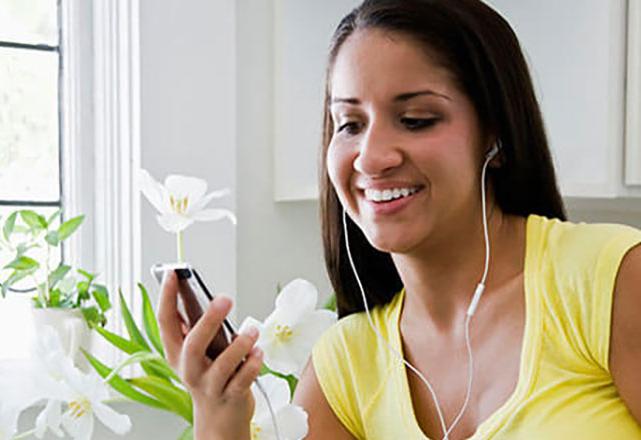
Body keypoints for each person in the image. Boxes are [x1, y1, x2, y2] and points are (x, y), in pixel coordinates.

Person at [157, 0, 641, 439]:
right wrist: (218, 410)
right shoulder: (346, 365)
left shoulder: (611, 279)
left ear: (495, 133)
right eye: (350, 124)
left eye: (416, 119)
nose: (371, 157)